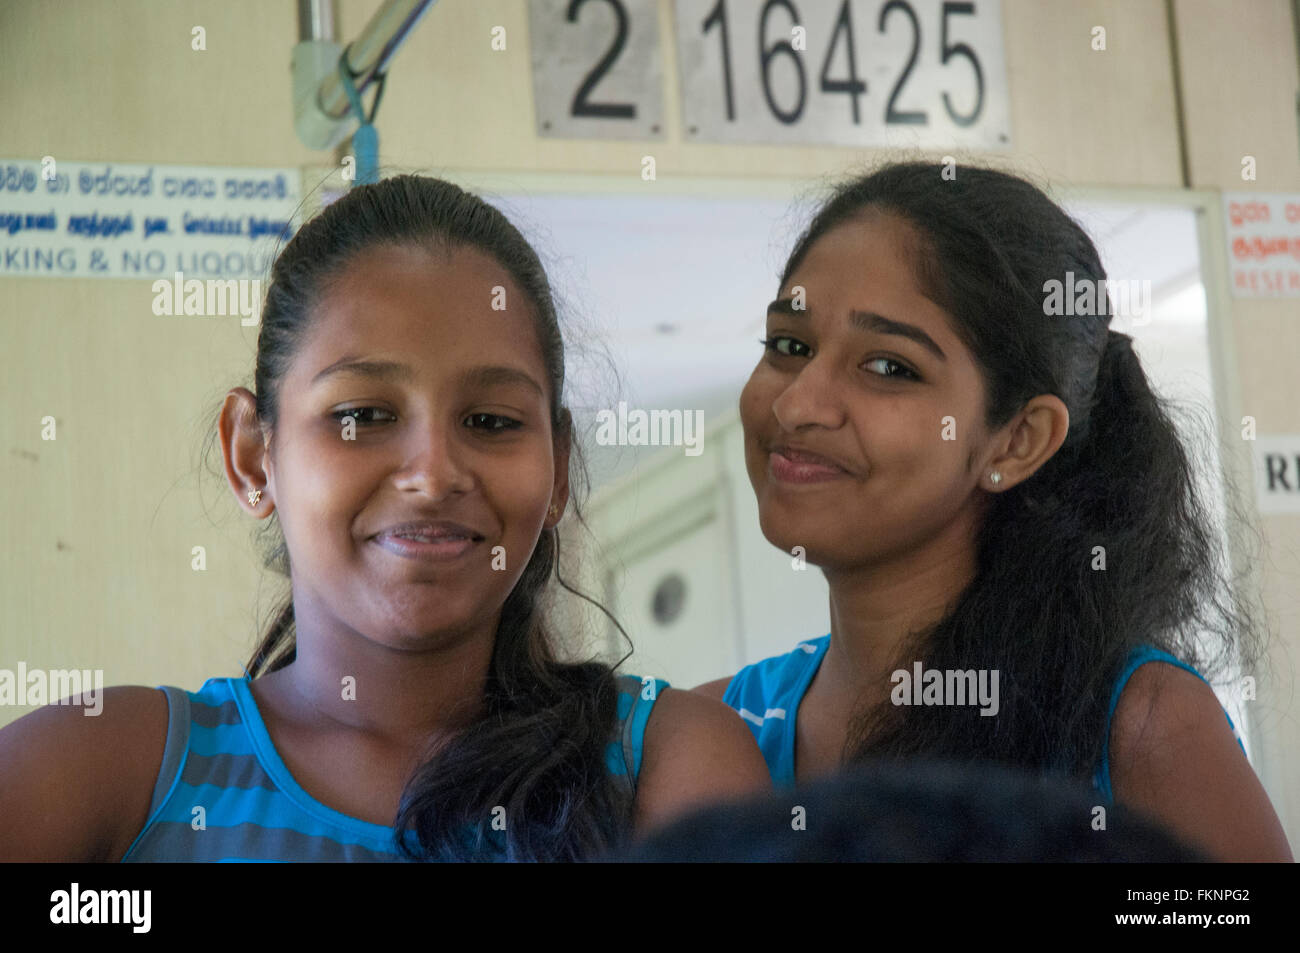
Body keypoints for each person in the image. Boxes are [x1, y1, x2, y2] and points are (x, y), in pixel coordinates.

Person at [0, 174, 768, 862]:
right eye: (363, 413)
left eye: (493, 420)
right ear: (250, 454)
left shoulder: (669, 766)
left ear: (559, 466)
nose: (433, 473)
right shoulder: (101, 774)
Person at [696, 160, 1292, 862]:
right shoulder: (716, 729)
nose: (797, 405)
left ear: (1018, 439)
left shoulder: (1135, 724)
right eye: (789, 346)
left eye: (888, 367)